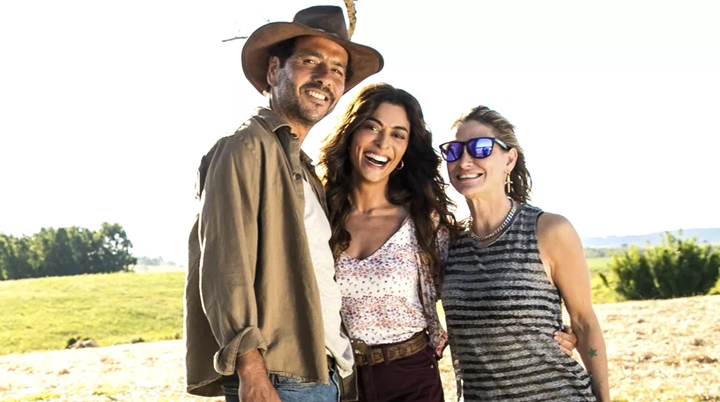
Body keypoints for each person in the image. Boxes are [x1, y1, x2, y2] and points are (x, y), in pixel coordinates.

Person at [319, 85, 580, 402]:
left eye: (398, 134)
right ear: (351, 133)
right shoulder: (318, 216)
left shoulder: (426, 224)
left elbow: (482, 287)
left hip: (410, 379)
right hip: (335, 379)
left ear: (406, 150)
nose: (382, 143)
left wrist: (548, 331)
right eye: (372, 127)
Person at [183, 5, 383, 402]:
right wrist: (251, 371)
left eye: (338, 70)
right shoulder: (244, 147)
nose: (325, 77)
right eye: (311, 61)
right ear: (275, 71)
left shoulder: (303, 167)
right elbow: (225, 267)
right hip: (277, 377)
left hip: (322, 371)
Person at [439, 105, 610, 401]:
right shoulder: (449, 242)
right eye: (454, 150)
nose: (465, 160)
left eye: (481, 148)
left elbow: (583, 321)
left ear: (509, 158)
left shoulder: (549, 230)